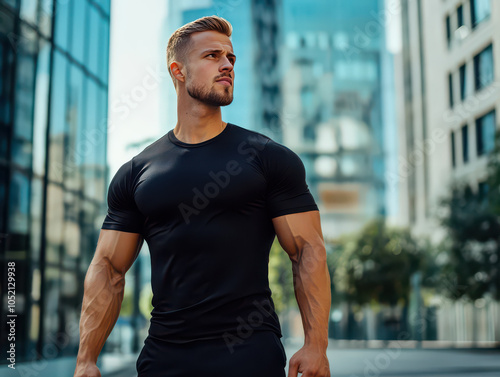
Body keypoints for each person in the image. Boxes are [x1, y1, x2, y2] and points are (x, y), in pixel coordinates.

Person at [73, 15, 331, 377]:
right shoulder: (136, 172)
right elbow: (108, 269)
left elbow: (307, 250)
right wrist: (86, 359)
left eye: (231, 58)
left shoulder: (268, 157)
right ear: (178, 71)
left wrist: (316, 344)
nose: (227, 65)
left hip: (249, 356)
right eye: (213, 56)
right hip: (164, 359)